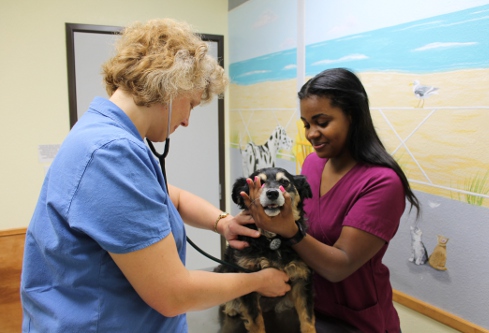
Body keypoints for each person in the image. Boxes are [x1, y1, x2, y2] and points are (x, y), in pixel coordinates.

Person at [20, 18, 290, 333]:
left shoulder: (107, 135)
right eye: (191, 104)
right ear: (172, 86)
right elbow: (173, 294)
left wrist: (223, 222)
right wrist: (257, 281)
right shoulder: (110, 153)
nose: (188, 120)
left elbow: (168, 195)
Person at [242, 68, 420, 333]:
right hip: (307, 309)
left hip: (356, 320)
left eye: (322, 122)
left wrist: (289, 230)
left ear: (353, 116)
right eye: (306, 124)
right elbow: (299, 223)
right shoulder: (313, 163)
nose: (311, 133)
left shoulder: (382, 182)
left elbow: (340, 266)